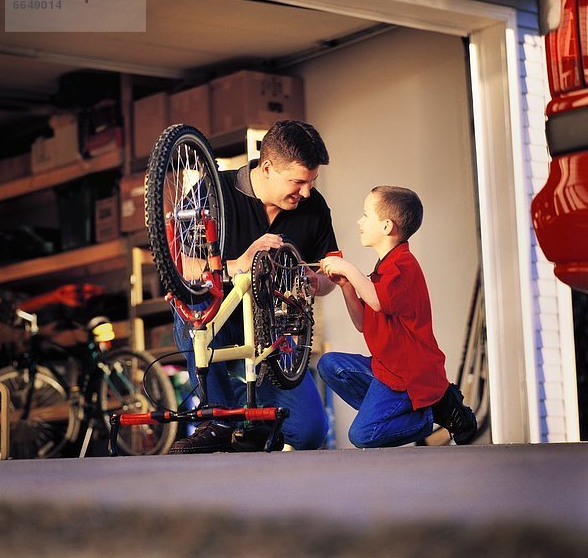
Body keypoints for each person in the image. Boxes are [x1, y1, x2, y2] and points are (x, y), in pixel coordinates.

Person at [169, 120, 338, 454]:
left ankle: (252, 423)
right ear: (268, 167)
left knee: (310, 432)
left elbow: (329, 276)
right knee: (191, 296)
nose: (305, 192)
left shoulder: (314, 207)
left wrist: (315, 281)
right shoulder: (212, 191)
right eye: (298, 182)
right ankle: (216, 417)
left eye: (310, 182)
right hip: (220, 326)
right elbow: (178, 266)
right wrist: (237, 264)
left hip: (273, 342)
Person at [318, 185, 477, 448]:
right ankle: (395, 412)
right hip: (386, 370)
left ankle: (431, 413)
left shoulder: (404, 266)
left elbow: (378, 302)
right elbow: (362, 323)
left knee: (362, 436)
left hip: (408, 377)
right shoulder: (383, 270)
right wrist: (346, 285)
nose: (360, 220)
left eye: (366, 214)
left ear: (387, 226)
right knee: (329, 365)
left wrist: (348, 268)